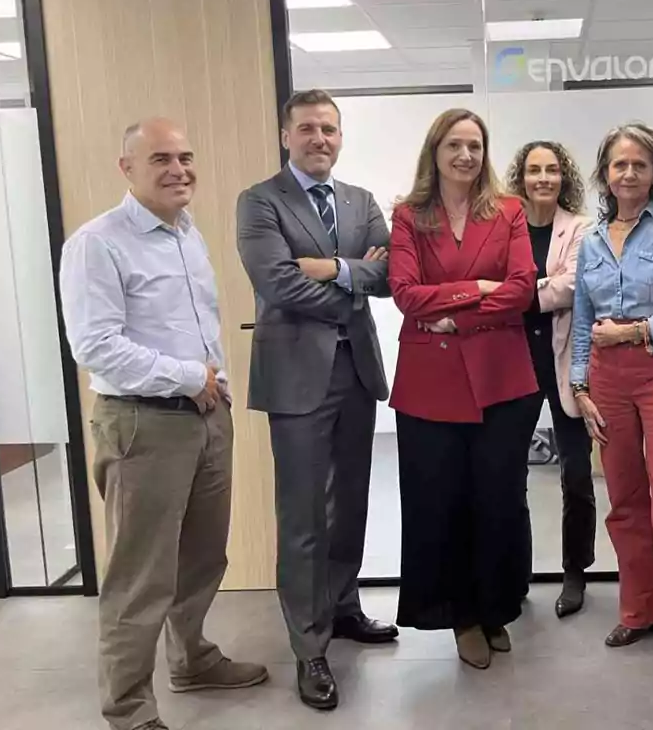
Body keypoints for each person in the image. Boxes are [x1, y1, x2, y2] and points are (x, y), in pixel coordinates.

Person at [60, 119, 268, 730]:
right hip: (143, 425)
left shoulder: (186, 233)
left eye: (185, 156)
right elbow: (95, 345)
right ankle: (127, 707)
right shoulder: (98, 243)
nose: (179, 169)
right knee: (140, 574)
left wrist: (215, 389)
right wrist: (187, 377)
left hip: (206, 417)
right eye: (160, 159)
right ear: (127, 168)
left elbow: (199, 325)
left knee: (202, 557)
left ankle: (192, 658)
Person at [236, 89, 398, 713]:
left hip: (354, 372)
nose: (320, 139)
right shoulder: (260, 201)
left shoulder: (360, 201)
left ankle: (343, 607)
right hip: (297, 378)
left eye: (329, 129)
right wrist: (354, 277)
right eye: (307, 128)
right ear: (286, 136)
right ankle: (309, 648)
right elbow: (275, 280)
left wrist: (334, 269)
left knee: (350, 503)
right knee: (303, 516)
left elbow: (389, 276)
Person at [387, 108, 539, 670]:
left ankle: (495, 606)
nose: (466, 156)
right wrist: (476, 288)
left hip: (502, 379)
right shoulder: (408, 216)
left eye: (475, 146)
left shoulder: (509, 210)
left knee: (496, 501)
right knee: (440, 502)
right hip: (431, 385)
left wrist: (457, 313)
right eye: (455, 145)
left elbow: (522, 289)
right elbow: (404, 293)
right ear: (436, 150)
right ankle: (461, 616)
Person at [571, 122, 653, 683]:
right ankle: (640, 609)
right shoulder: (592, 239)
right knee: (624, 501)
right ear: (605, 173)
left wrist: (632, 334)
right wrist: (578, 387)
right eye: (619, 164)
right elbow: (582, 319)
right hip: (606, 382)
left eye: (640, 165)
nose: (628, 174)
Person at [504, 140, 596, 619]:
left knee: (577, 474)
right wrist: (539, 289)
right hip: (514, 360)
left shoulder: (579, 227)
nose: (543, 178)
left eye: (552, 170)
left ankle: (575, 572)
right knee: (509, 475)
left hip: (566, 360)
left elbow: (577, 283)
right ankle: (515, 573)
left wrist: (515, 291)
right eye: (535, 170)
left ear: (564, 177)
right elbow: (547, 287)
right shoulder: (504, 226)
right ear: (521, 176)